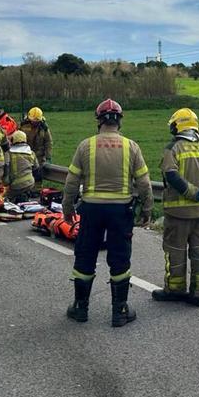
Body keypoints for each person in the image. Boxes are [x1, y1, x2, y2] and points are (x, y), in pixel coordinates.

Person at [62, 98, 154, 327]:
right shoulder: (131, 146)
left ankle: (80, 308)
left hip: (91, 209)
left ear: (99, 121)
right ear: (119, 121)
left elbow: (71, 182)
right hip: (120, 211)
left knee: (85, 256)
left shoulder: (86, 146)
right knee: (120, 258)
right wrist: (147, 209)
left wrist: (67, 210)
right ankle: (120, 311)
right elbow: (144, 183)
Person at [153, 108, 199, 307]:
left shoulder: (173, 149)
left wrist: (190, 192)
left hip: (178, 213)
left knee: (175, 250)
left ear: (177, 126)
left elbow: (170, 174)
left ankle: (175, 289)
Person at [4, 130, 41, 203]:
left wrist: (6, 182)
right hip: (30, 183)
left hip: (16, 185)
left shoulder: (9, 153)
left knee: (6, 198)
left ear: (13, 140)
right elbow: (36, 168)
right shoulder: (31, 152)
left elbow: (6, 168)